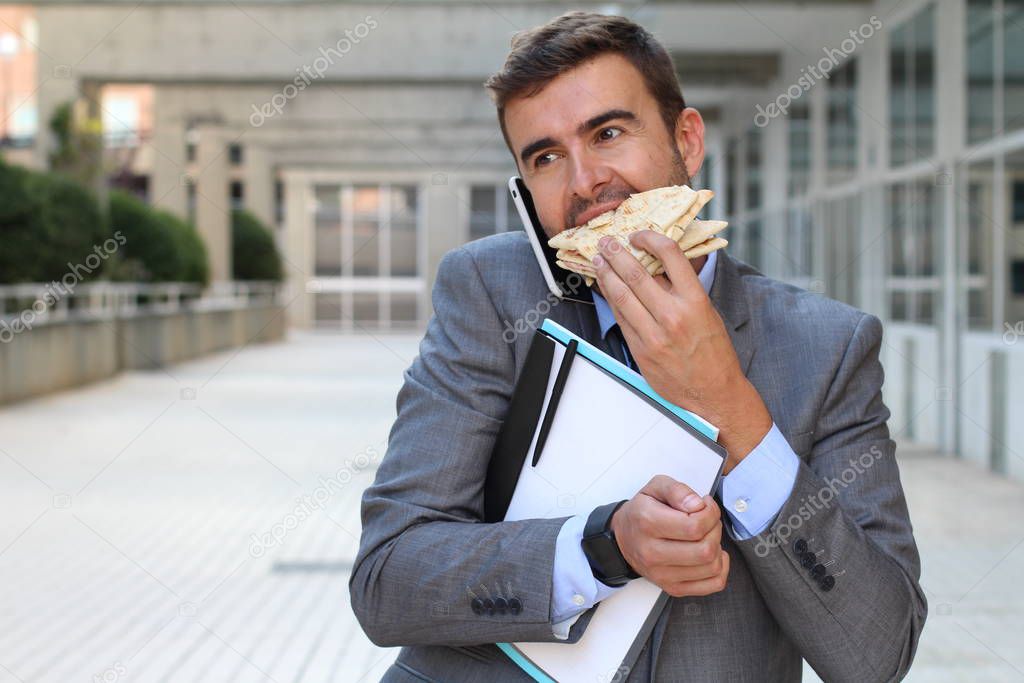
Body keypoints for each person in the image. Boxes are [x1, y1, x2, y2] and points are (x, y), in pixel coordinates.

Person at [350, 11, 926, 682]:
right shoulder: (489, 293)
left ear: (687, 141)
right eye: (545, 157)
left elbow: (877, 653)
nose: (586, 181)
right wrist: (600, 547)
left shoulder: (826, 346)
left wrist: (733, 412)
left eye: (609, 132)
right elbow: (388, 579)